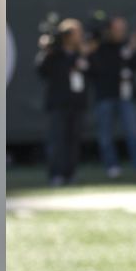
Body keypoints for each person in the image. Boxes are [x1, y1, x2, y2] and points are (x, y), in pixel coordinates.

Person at [88, 16, 136, 179]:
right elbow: (96, 69)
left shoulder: (125, 47)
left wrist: (131, 50)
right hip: (105, 96)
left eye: (123, 29)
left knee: (134, 132)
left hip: (126, 96)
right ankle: (112, 166)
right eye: (117, 29)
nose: (121, 32)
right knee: (105, 135)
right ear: (110, 30)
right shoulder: (100, 47)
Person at [35, 18, 92, 186]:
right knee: (57, 140)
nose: (80, 36)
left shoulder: (80, 53)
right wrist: (46, 50)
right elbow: (41, 70)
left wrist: (84, 54)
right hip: (58, 104)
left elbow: (93, 71)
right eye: (76, 33)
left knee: (73, 141)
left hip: (77, 103)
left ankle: (70, 173)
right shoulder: (55, 53)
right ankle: (56, 174)